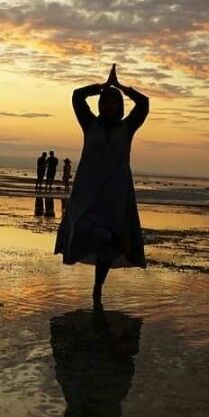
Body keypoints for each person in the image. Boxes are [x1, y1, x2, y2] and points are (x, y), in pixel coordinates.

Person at [55, 65, 149, 308]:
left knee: (110, 240)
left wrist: (120, 88)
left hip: (116, 193)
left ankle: (98, 288)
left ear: (120, 107)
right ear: (100, 106)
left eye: (113, 103)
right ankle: (93, 282)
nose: (108, 107)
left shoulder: (127, 128)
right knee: (85, 229)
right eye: (105, 103)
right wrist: (100, 87)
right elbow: (77, 96)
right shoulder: (90, 124)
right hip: (88, 192)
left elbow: (144, 104)